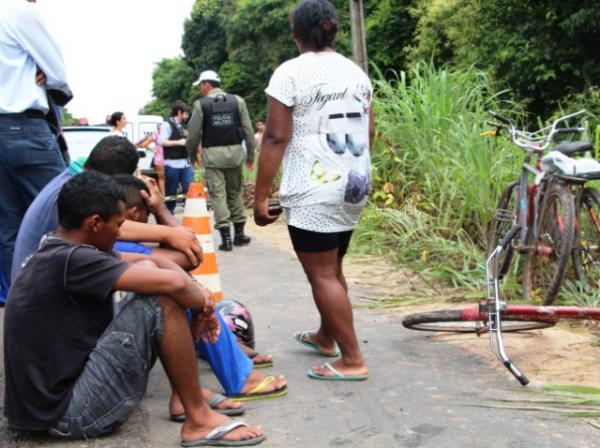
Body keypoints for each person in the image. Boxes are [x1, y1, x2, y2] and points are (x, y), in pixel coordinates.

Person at [4, 171, 266, 445]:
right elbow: (173, 284)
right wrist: (205, 308)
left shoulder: (59, 247)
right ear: (94, 223)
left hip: (45, 409)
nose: (120, 233)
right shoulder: (74, 260)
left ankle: (185, 397)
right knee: (160, 300)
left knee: (153, 278)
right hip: (65, 415)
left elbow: (150, 262)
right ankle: (198, 419)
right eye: (118, 225)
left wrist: (197, 295)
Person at [254, 0, 374, 381]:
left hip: (314, 187)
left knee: (322, 274)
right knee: (332, 266)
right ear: (334, 30)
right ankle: (326, 336)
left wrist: (259, 196)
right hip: (355, 181)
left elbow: (275, 137)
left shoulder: (289, 73)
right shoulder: (356, 73)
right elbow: (370, 133)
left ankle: (352, 359)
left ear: (296, 34)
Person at [111, 174, 287, 411]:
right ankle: (228, 378)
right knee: (177, 290)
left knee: (182, 284)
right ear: (132, 215)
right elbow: (190, 255)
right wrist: (162, 211)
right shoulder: (115, 240)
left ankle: (208, 378)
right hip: (109, 347)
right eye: (146, 215)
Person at [0, 0, 72, 282]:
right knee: (67, 210)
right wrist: (43, 73)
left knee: (7, 223)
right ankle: (67, 291)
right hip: (24, 128)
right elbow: (58, 75)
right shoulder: (20, 12)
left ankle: (17, 297)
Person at [186, 70, 256, 251]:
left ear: (206, 85)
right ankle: (240, 234)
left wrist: (192, 156)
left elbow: (193, 135)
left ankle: (226, 239)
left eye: (200, 86)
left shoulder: (201, 105)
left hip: (212, 157)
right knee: (235, 192)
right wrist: (250, 157)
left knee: (218, 195)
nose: (200, 90)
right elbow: (248, 130)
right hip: (235, 155)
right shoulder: (237, 101)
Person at [159, 101, 193, 213]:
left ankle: (192, 212)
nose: (187, 116)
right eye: (186, 114)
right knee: (171, 192)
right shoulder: (166, 124)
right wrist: (179, 142)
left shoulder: (184, 126)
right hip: (171, 164)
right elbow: (162, 141)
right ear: (179, 112)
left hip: (186, 164)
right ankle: (169, 215)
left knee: (191, 189)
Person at [137, 124, 165, 195]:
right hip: (159, 158)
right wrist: (153, 150)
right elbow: (143, 145)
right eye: (158, 128)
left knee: (166, 177)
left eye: (161, 128)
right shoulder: (155, 135)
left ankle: (165, 194)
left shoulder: (166, 135)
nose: (160, 129)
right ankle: (163, 195)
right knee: (161, 177)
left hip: (168, 158)